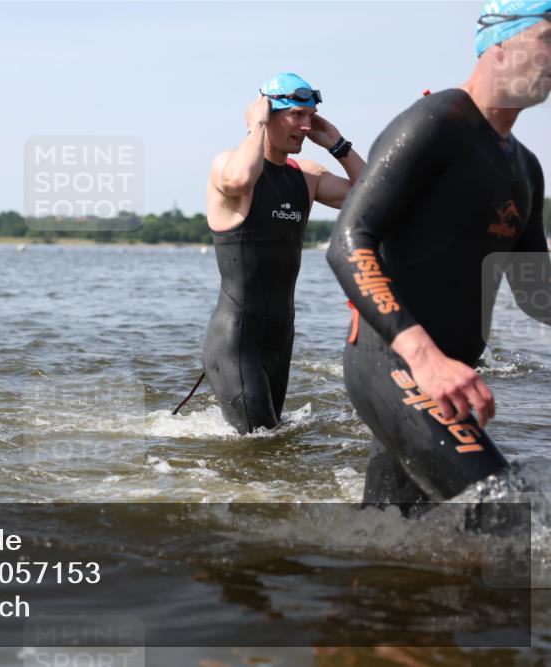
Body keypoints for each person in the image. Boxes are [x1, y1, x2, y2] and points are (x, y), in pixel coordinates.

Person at [326, 1, 551, 507]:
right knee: (505, 515)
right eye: (549, 39)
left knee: (392, 531)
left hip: (450, 377)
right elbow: (347, 241)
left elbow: (539, 295)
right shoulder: (436, 123)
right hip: (395, 361)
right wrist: (425, 358)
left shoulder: (526, 167)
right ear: (500, 44)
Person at [199, 73, 365, 434]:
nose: (306, 126)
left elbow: (373, 198)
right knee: (257, 443)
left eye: (311, 116)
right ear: (267, 113)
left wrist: (337, 144)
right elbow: (243, 179)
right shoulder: (226, 165)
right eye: (297, 115)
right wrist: (256, 124)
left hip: (280, 339)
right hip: (236, 341)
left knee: (273, 441)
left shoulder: (306, 177)